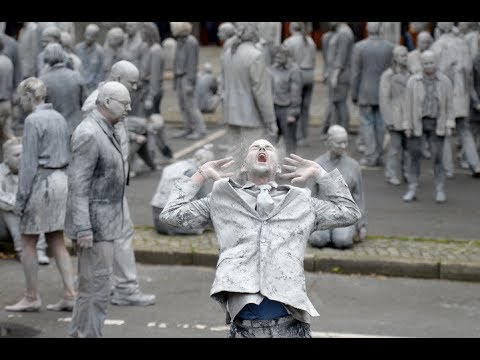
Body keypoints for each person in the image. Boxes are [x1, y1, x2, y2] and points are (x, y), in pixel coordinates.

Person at [160, 138, 361, 338]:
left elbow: (349, 212)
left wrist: (320, 173)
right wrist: (201, 174)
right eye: (255, 147)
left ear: (278, 167)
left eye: (268, 148)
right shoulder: (221, 198)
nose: (262, 148)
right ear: (244, 166)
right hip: (245, 329)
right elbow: (171, 213)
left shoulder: (302, 200)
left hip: (292, 326)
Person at [81, 62, 157, 308]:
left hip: (113, 183)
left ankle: (113, 285)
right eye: (131, 82)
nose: (135, 88)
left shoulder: (113, 99)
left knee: (117, 235)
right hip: (106, 186)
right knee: (119, 234)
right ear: (115, 77)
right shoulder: (98, 102)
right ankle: (124, 287)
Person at [65, 81, 130, 338]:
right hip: (94, 226)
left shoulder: (105, 127)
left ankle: (82, 334)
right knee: (96, 288)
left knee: (93, 286)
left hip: (103, 223)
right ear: (106, 103)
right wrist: (83, 228)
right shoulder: (89, 133)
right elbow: (78, 185)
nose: (129, 108)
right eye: (124, 103)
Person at [5, 77, 75, 312]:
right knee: (56, 239)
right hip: (61, 180)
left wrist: (20, 199)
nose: (20, 102)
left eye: (21, 97)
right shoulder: (58, 117)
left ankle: (32, 296)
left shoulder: (33, 120)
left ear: (28, 96)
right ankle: (70, 293)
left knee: (27, 241)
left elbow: (28, 164)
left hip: (42, 183)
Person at [221, 22, 277, 167]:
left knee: (234, 158)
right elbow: (261, 92)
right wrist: (270, 120)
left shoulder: (228, 53)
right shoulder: (255, 55)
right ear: (254, 32)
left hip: (230, 113)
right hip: (251, 117)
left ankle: (229, 188)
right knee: (254, 162)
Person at [403, 50, 455, 203]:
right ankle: (412, 188)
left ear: (436, 62)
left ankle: (440, 189)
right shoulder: (413, 81)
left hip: (437, 123)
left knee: (438, 158)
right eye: (425, 63)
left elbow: (450, 104)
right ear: (421, 64)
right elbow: (407, 105)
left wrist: (449, 123)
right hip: (417, 123)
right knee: (414, 157)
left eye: (431, 62)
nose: (429, 66)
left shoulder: (445, 81)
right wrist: (407, 124)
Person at [307, 125, 367, 249]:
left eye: (346, 142)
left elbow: (358, 196)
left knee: (342, 241)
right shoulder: (317, 164)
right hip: (322, 215)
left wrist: (361, 225)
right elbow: (309, 195)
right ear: (328, 143)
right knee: (319, 240)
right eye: (339, 143)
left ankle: (340, 233)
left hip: (345, 215)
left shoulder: (354, 166)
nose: (343, 146)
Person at [351, 22, 394, 167]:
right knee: (380, 124)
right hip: (382, 91)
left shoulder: (360, 47)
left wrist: (354, 92)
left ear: (368, 29)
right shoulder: (389, 47)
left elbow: (356, 73)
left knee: (367, 124)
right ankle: (379, 155)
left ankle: (370, 155)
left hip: (365, 90)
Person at [0, 138, 49, 263]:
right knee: (9, 210)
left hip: (28, 221)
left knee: (36, 206)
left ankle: (39, 250)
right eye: (16, 155)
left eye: (23, 154)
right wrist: (19, 204)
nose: (21, 158)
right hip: (4, 227)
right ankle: (22, 251)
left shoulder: (33, 171)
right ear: (6, 158)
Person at [151, 145, 215, 235]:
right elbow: (204, 199)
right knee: (202, 217)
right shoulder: (194, 172)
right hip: (172, 220)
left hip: (157, 217)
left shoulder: (174, 166)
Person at [379, 45, 411, 186]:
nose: (405, 58)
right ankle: (390, 173)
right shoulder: (388, 75)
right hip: (395, 114)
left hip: (408, 115)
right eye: (402, 55)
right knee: (395, 147)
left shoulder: (410, 73)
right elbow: (384, 98)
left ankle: (407, 172)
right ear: (396, 58)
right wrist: (388, 119)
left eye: (406, 55)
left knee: (408, 148)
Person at [39, 43, 87, 136]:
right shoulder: (76, 76)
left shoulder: (43, 80)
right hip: (76, 128)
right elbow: (85, 102)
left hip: (54, 130)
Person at [283, 22, 317, 147]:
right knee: (305, 108)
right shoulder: (310, 41)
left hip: (298, 74)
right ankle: (304, 136)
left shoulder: (289, 42)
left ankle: (296, 136)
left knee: (294, 106)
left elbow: (285, 61)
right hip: (309, 74)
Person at [171, 22, 206, 140]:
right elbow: (176, 62)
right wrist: (175, 80)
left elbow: (192, 64)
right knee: (183, 105)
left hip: (187, 77)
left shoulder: (191, 42)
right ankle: (188, 128)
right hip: (180, 77)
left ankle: (200, 130)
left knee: (191, 105)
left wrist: (190, 82)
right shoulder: (179, 41)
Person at [268, 44, 302, 156]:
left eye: (280, 56)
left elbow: (296, 93)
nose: (277, 58)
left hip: (287, 109)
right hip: (273, 108)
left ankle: (292, 165)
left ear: (287, 56)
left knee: (289, 141)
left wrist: (292, 112)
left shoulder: (294, 70)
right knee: (271, 140)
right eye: (276, 56)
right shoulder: (272, 68)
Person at [321, 22, 354, 134]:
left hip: (340, 75)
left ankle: (344, 131)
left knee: (340, 103)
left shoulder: (344, 33)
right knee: (336, 104)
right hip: (336, 74)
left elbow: (341, 56)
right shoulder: (339, 32)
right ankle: (335, 131)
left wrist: (335, 74)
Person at [74, 23, 105, 95]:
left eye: (91, 36)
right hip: (79, 85)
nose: (88, 38)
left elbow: (100, 73)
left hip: (92, 88)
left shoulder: (100, 52)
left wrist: (95, 89)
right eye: (86, 34)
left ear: (96, 37)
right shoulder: (77, 48)